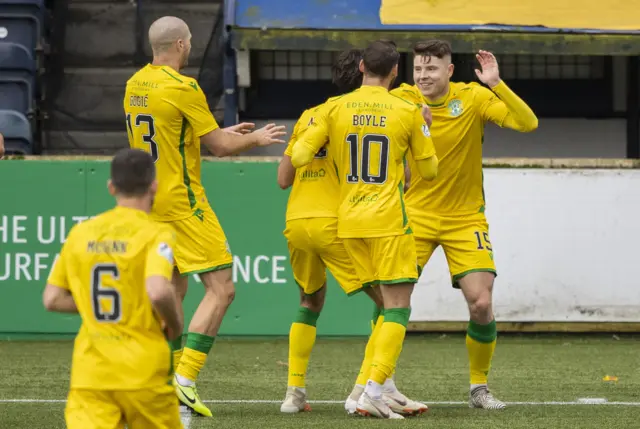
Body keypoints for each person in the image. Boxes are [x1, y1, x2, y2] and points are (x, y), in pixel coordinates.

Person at [123, 16, 286, 417]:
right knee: (222, 288)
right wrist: (254, 138)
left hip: (149, 204)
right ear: (180, 45)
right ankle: (185, 378)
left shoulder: (134, 84)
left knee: (174, 291)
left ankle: (160, 378)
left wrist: (217, 129)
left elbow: (169, 131)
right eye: (190, 41)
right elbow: (219, 149)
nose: (191, 46)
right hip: (183, 204)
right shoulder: (184, 87)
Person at [291, 40, 438, 419]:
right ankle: (371, 390)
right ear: (395, 72)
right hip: (388, 221)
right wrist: (423, 130)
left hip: (349, 222)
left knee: (383, 307)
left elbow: (300, 156)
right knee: (397, 309)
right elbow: (430, 171)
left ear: (360, 67)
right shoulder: (407, 110)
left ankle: (383, 387)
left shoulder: (334, 108)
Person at [390, 40, 538, 410]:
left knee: (481, 302)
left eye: (432, 69)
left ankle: (479, 388)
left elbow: (527, 123)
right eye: (419, 69)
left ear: (449, 71)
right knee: (390, 302)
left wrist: (496, 84)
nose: (423, 76)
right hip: (415, 216)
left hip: (465, 218)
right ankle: (380, 384)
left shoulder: (472, 97)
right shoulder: (402, 98)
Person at [42, 148, 184, 429]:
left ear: (111, 187)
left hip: (91, 372)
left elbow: (52, 299)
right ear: (154, 185)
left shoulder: (80, 233)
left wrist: (93, 303)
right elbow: (157, 290)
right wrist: (176, 324)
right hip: (142, 369)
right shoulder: (157, 233)